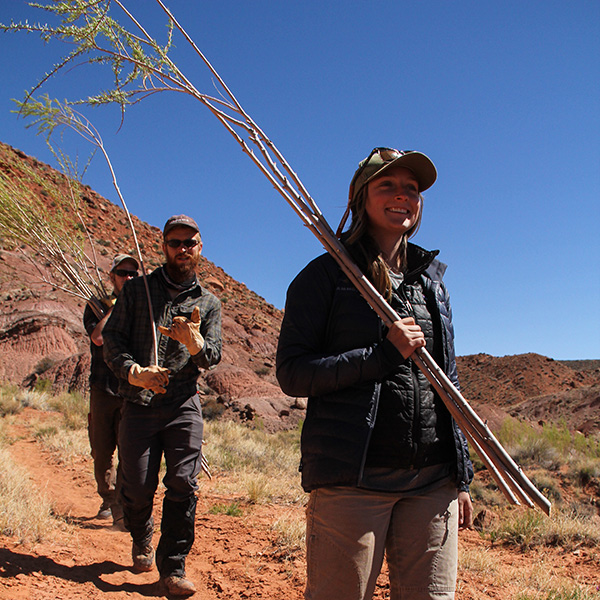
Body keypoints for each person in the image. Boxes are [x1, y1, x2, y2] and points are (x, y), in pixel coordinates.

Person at [276, 148, 474, 600]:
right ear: (361, 198)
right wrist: (381, 356)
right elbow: (292, 373)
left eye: (412, 188)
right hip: (353, 482)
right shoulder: (325, 276)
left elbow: (450, 382)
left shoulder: (432, 284)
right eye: (387, 185)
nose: (402, 195)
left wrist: (460, 476)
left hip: (432, 482)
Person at [103, 215, 222, 597]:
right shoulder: (138, 291)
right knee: (137, 487)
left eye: (190, 242)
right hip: (138, 402)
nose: (183, 249)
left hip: (183, 403)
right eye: (175, 242)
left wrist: (196, 346)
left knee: (183, 483)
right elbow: (111, 339)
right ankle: (142, 536)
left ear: (200, 248)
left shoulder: (209, 302)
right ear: (163, 246)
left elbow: (213, 357)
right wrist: (133, 371)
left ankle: (172, 567)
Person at [83, 253, 139, 530]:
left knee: (131, 453)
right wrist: (116, 309)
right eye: (123, 273)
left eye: (133, 274)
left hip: (130, 391)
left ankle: (122, 508)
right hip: (103, 388)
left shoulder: (142, 308)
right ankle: (108, 499)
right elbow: (98, 338)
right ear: (112, 276)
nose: (128, 278)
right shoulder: (95, 306)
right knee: (102, 451)